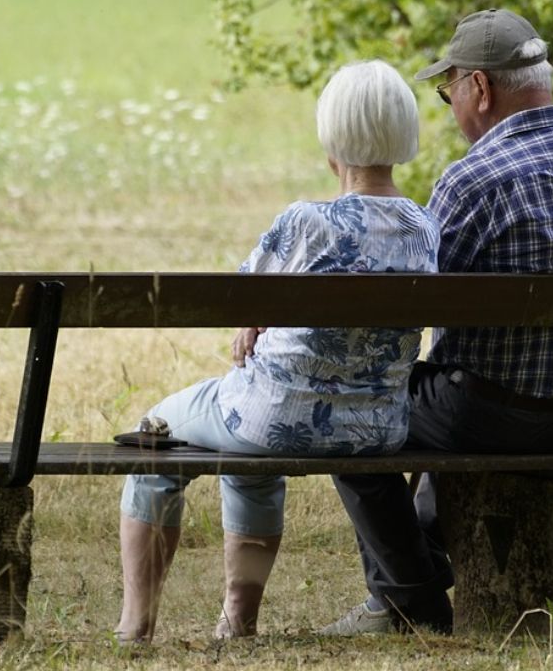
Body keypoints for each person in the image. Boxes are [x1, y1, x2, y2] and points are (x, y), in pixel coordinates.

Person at [320, 8, 553, 635]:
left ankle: (408, 598)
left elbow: (415, 308)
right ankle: (425, 559)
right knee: (450, 383)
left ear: (480, 88)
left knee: (350, 407)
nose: (451, 108)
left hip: (488, 416)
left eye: (448, 94)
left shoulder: (472, 181)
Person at [115, 60, 439, 643]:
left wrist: (253, 321)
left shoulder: (306, 222)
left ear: (332, 137)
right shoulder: (424, 227)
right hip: (376, 428)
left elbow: (238, 297)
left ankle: (135, 625)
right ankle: (237, 622)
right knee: (245, 450)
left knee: (153, 434)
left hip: (274, 419)